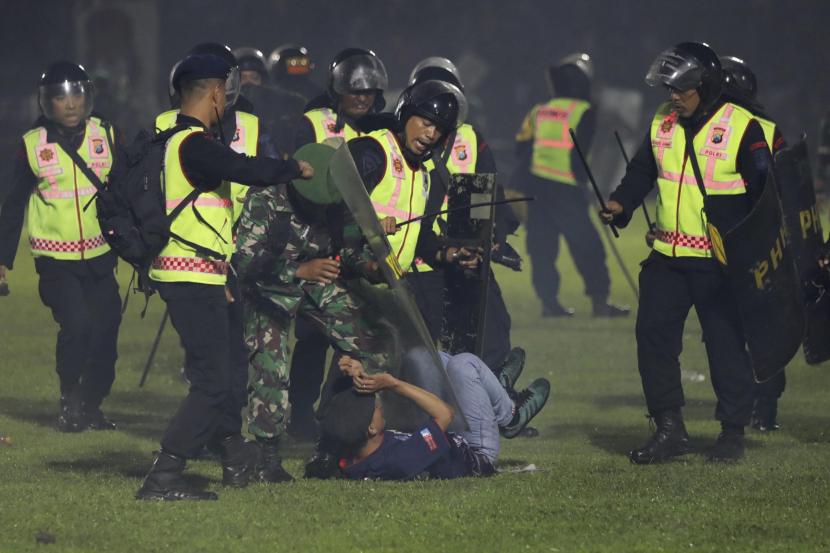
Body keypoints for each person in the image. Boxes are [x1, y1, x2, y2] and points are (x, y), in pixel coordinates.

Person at [135, 54, 312, 501]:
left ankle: (234, 456)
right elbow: (244, 169)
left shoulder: (175, 140)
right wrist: (292, 168)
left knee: (224, 373)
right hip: (190, 275)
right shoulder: (194, 144)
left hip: (206, 274)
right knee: (214, 383)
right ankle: (164, 475)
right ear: (215, 94)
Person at [600, 42, 772, 463]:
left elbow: (766, 196)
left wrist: (755, 253)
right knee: (653, 339)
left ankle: (732, 432)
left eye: (681, 89)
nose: (672, 97)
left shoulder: (742, 126)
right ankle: (669, 429)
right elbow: (643, 168)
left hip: (719, 263)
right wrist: (621, 204)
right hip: (667, 257)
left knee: (726, 346)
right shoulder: (663, 120)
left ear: (707, 86)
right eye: (669, 89)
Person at [233, 149, 387, 483]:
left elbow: (346, 252)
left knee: (374, 337)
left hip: (315, 283)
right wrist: (299, 269)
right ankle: (266, 456)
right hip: (268, 285)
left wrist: (368, 267)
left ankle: (339, 435)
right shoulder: (266, 199)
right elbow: (244, 262)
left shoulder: (336, 199)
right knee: (270, 363)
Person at [0, 61, 122, 432]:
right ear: (46, 103)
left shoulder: (108, 135)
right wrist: (2, 260)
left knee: (106, 333)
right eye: (60, 97)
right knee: (78, 326)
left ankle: (92, 404)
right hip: (56, 259)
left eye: (76, 95)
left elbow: (125, 191)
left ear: (87, 97)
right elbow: (12, 204)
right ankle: (70, 399)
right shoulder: (32, 146)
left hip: (101, 256)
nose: (70, 104)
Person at [286, 47, 390, 440]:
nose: (361, 98)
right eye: (354, 92)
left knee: (360, 335)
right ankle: (299, 411)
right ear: (337, 91)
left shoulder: (382, 129)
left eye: (369, 92)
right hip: (318, 243)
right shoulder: (313, 124)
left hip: (363, 245)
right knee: (313, 335)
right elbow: (298, 181)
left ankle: (339, 411)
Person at [406, 56, 521, 373]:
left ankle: (492, 408)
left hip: (463, 256)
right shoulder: (398, 139)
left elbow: (484, 200)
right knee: (421, 352)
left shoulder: (469, 139)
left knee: (491, 333)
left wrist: (487, 242)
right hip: (413, 264)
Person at [515, 53, 628, 318]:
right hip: (566, 189)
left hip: (537, 189)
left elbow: (522, 147)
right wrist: (583, 185)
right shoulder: (584, 112)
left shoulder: (538, 111)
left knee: (542, 249)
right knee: (588, 246)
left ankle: (549, 304)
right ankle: (600, 302)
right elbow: (581, 155)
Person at [320, 351, 550, 480]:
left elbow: (340, 415)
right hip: (475, 452)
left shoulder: (351, 445)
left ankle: (494, 391)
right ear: (370, 429)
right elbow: (444, 414)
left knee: (422, 357)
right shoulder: (401, 460)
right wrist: (394, 384)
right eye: (376, 407)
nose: (380, 404)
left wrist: (355, 370)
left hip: (445, 435)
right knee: (463, 365)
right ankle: (509, 415)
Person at [720, 55, 786, 432]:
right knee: (733, 328)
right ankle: (746, 404)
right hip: (726, 244)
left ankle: (764, 404)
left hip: (754, 244)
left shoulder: (762, 128)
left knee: (756, 328)